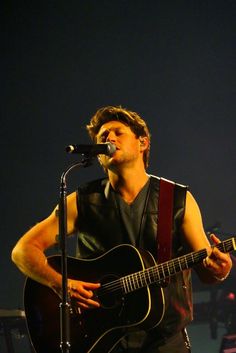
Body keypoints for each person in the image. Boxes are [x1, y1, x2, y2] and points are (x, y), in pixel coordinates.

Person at [12, 106, 232, 353]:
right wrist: (62, 284)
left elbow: (207, 271)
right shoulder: (82, 201)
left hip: (165, 343)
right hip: (101, 342)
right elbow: (23, 251)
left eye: (118, 132)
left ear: (143, 143)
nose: (108, 138)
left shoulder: (178, 199)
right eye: (102, 135)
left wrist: (220, 270)